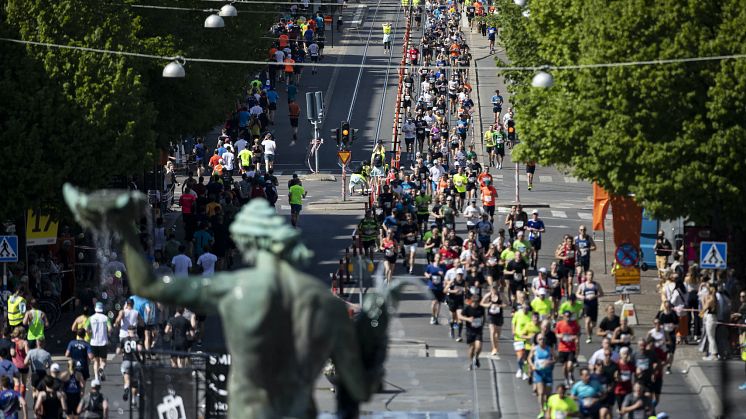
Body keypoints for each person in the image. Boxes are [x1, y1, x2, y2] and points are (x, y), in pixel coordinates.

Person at [528, 332, 555, 416]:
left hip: (548, 373)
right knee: (541, 392)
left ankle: (546, 405)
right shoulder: (534, 349)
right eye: (540, 339)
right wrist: (532, 366)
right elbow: (529, 358)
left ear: (546, 340)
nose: (542, 340)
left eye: (543, 339)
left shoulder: (549, 349)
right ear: (537, 340)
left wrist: (549, 362)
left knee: (548, 393)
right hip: (538, 373)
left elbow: (556, 358)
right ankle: (541, 411)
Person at [85, 302, 112, 382]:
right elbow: (110, 328)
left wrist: (89, 332)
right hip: (103, 342)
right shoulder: (106, 318)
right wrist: (108, 333)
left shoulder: (90, 318)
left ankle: (96, 378)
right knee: (103, 361)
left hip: (93, 342)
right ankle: (101, 368)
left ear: (95, 308)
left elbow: (86, 328)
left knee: (96, 361)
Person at [458, 295, 485, 370]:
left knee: (479, 346)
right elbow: (460, 317)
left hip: (478, 330)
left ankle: (476, 357)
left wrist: (482, 325)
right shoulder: (467, 308)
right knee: (472, 348)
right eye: (474, 303)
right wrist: (468, 319)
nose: (475, 304)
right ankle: (470, 362)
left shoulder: (481, 308)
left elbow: (483, 318)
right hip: (470, 330)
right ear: (471, 302)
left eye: (477, 303)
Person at [577, 270, 604, 343]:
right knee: (587, 321)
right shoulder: (583, 285)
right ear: (586, 276)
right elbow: (577, 294)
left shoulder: (596, 285)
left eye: (591, 275)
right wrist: (582, 297)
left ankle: (590, 330)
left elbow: (602, 294)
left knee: (594, 324)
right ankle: (588, 337)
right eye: (588, 275)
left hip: (594, 305)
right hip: (586, 305)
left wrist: (594, 296)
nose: (590, 277)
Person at [118, 325, 143, 402]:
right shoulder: (137, 339)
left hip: (126, 361)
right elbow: (140, 349)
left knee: (127, 380)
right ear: (135, 331)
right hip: (135, 362)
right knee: (135, 381)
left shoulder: (124, 340)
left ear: (128, 332)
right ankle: (133, 400)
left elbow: (118, 351)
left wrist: (122, 351)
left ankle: (126, 389)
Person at [556, 310, 580, 386]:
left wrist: (575, 338)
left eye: (569, 316)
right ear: (563, 316)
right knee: (564, 366)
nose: (567, 318)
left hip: (571, 348)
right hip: (562, 348)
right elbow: (557, 334)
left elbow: (578, 333)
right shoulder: (559, 324)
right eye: (566, 316)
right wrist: (561, 336)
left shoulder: (574, 324)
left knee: (570, 365)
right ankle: (566, 379)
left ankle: (570, 374)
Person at [444, 269, 467, 342]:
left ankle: (459, 335)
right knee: (452, 318)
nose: (460, 276)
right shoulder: (452, 282)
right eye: (458, 274)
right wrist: (453, 291)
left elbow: (467, 290)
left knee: (460, 318)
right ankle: (451, 329)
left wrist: (466, 291)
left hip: (460, 302)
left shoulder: (464, 282)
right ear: (456, 275)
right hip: (452, 301)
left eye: (461, 275)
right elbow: (445, 290)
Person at [424, 254, 447, 325]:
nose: (438, 259)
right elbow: (425, 273)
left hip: (440, 287)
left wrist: (442, 275)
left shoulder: (443, 267)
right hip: (432, 287)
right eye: (437, 257)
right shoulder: (430, 266)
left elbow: (446, 277)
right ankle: (433, 316)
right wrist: (427, 276)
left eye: (439, 258)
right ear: (435, 258)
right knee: (434, 302)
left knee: (439, 303)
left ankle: (436, 317)